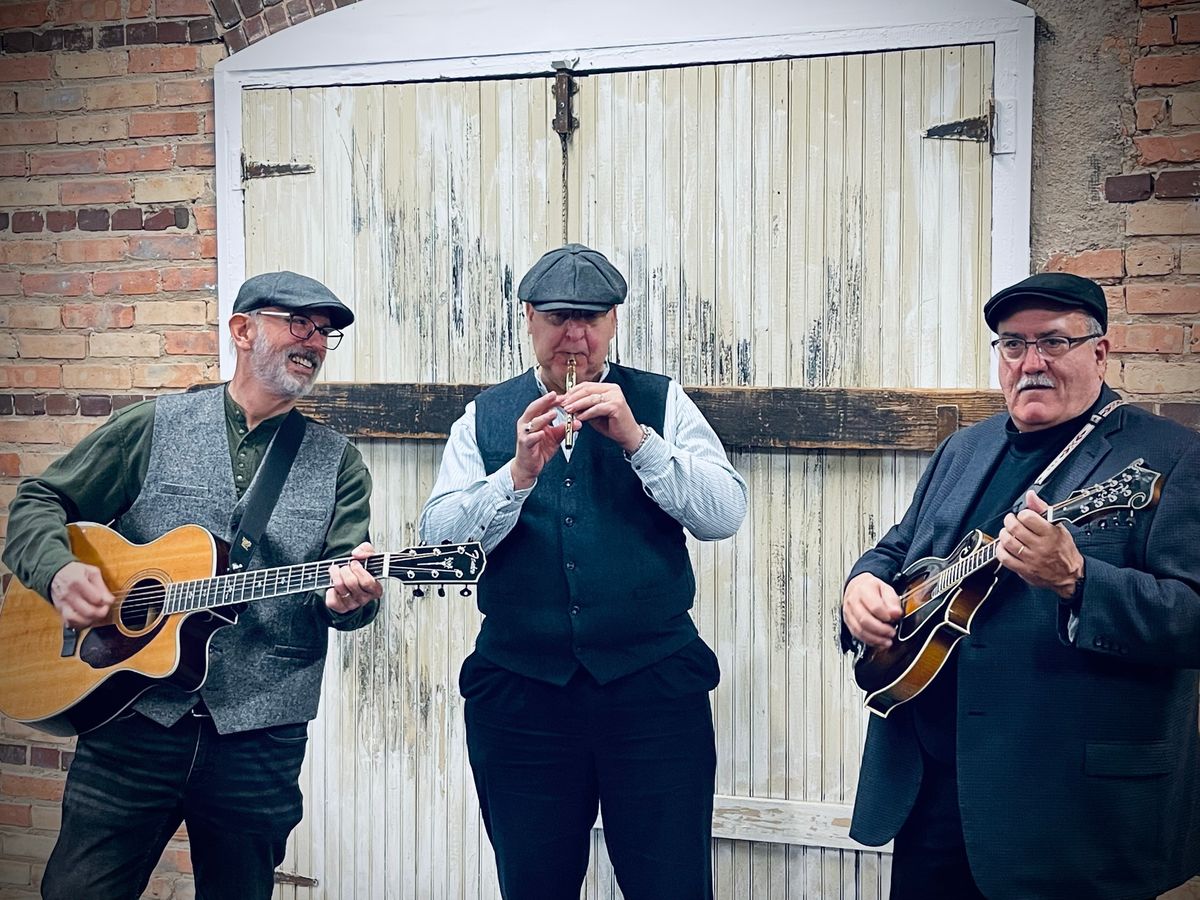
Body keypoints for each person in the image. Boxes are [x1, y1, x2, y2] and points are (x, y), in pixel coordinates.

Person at [3, 270, 384, 900]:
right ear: (241, 330)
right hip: (131, 720)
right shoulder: (154, 425)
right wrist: (60, 570)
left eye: (324, 334)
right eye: (299, 324)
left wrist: (350, 600)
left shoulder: (338, 461)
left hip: (258, 738)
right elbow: (40, 501)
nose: (314, 342)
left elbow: (347, 586)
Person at [841, 272, 1200, 899]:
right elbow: (898, 549)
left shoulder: (1171, 458)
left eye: (1053, 343)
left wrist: (1080, 581)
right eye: (1013, 344)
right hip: (932, 794)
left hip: (1068, 812)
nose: (1031, 362)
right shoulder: (963, 448)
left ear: (1100, 351)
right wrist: (862, 586)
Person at [420, 243, 747, 899]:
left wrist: (639, 442)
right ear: (530, 319)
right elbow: (438, 545)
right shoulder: (484, 415)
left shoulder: (660, 401)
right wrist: (517, 475)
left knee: (672, 885)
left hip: (653, 690)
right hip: (521, 697)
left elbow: (724, 514)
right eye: (560, 317)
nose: (576, 335)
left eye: (593, 317)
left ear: (615, 321)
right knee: (534, 885)